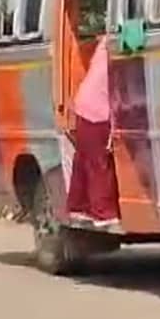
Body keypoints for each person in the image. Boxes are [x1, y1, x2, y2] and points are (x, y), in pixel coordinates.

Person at [66, 34, 120, 230]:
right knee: (98, 163)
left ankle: (78, 207)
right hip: (97, 110)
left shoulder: (106, 42)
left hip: (84, 105)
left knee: (83, 160)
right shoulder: (115, 47)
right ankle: (102, 212)